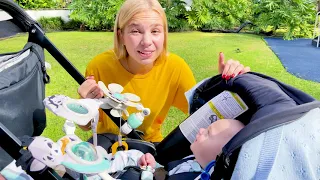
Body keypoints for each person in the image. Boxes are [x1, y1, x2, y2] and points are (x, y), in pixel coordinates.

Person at [77, 0, 250, 142]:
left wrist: (223, 85)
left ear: (164, 35)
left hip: (150, 147)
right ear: (121, 35)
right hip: (105, 145)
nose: (147, 41)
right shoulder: (99, 65)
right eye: (136, 31)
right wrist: (83, 106)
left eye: (155, 31)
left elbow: (204, 114)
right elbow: (86, 125)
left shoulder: (175, 67)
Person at [141, 119, 245, 177]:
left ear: (221, 153)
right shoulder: (193, 159)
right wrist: (153, 166)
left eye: (208, 133)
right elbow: (168, 171)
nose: (201, 130)